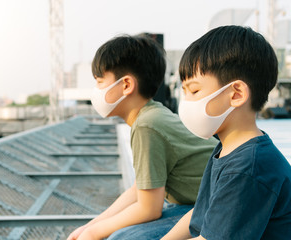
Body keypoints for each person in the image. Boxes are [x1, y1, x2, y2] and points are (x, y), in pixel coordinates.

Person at [67, 34, 218, 240]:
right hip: (199, 204)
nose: (96, 91)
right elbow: (140, 188)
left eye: (100, 82)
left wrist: (94, 233)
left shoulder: (147, 125)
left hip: (210, 209)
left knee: (121, 238)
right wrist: (90, 227)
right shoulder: (152, 115)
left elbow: (149, 209)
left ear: (126, 85)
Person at [161, 25, 291, 240]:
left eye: (194, 91)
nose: (186, 104)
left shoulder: (248, 168)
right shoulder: (229, 148)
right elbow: (202, 213)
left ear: (236, 94)